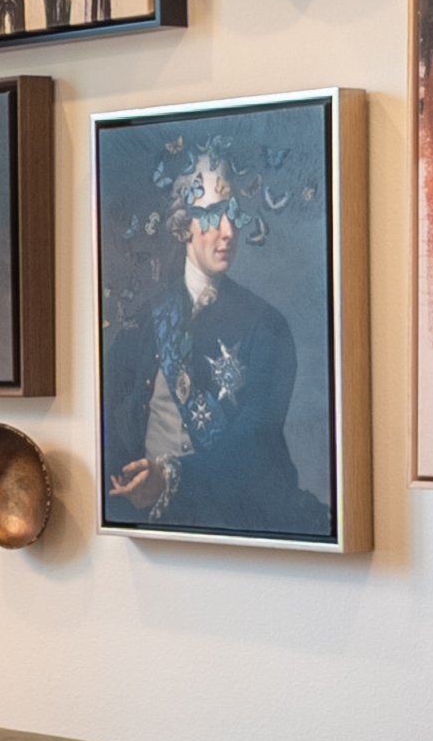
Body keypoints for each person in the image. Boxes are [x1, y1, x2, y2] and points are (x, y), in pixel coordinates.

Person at [107, 144, 323, 536]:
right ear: (181, 225)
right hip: (154, 528)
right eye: (209, 215)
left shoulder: (266, 327)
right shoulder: (140, 325)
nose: (227, 232)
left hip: (239, 521)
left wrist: (170, 476)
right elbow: (112, 429)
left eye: (232, 213)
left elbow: (254, 445)